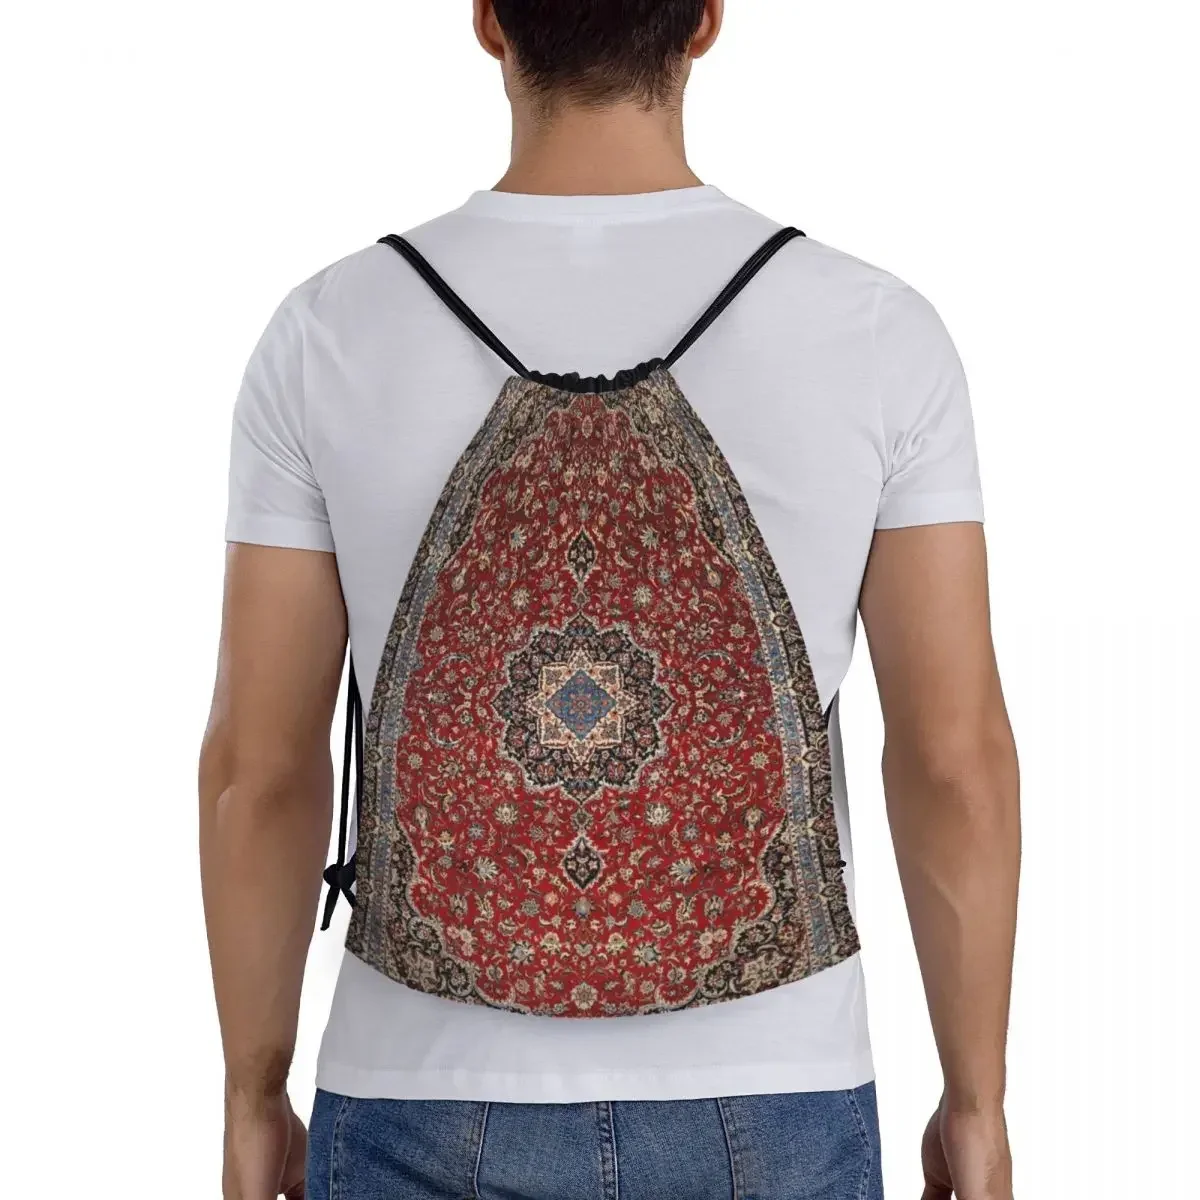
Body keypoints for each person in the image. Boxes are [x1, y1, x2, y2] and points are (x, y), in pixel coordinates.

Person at [199, 2, 1020, 1197]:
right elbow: (954, 761)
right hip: (775, 1092)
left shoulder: (330, 331)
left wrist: (249, 1094)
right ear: (705, 21)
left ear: (489, 21)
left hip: (418, 1091)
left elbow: (260, 770)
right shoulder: (877, 331)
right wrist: (978, 1100)